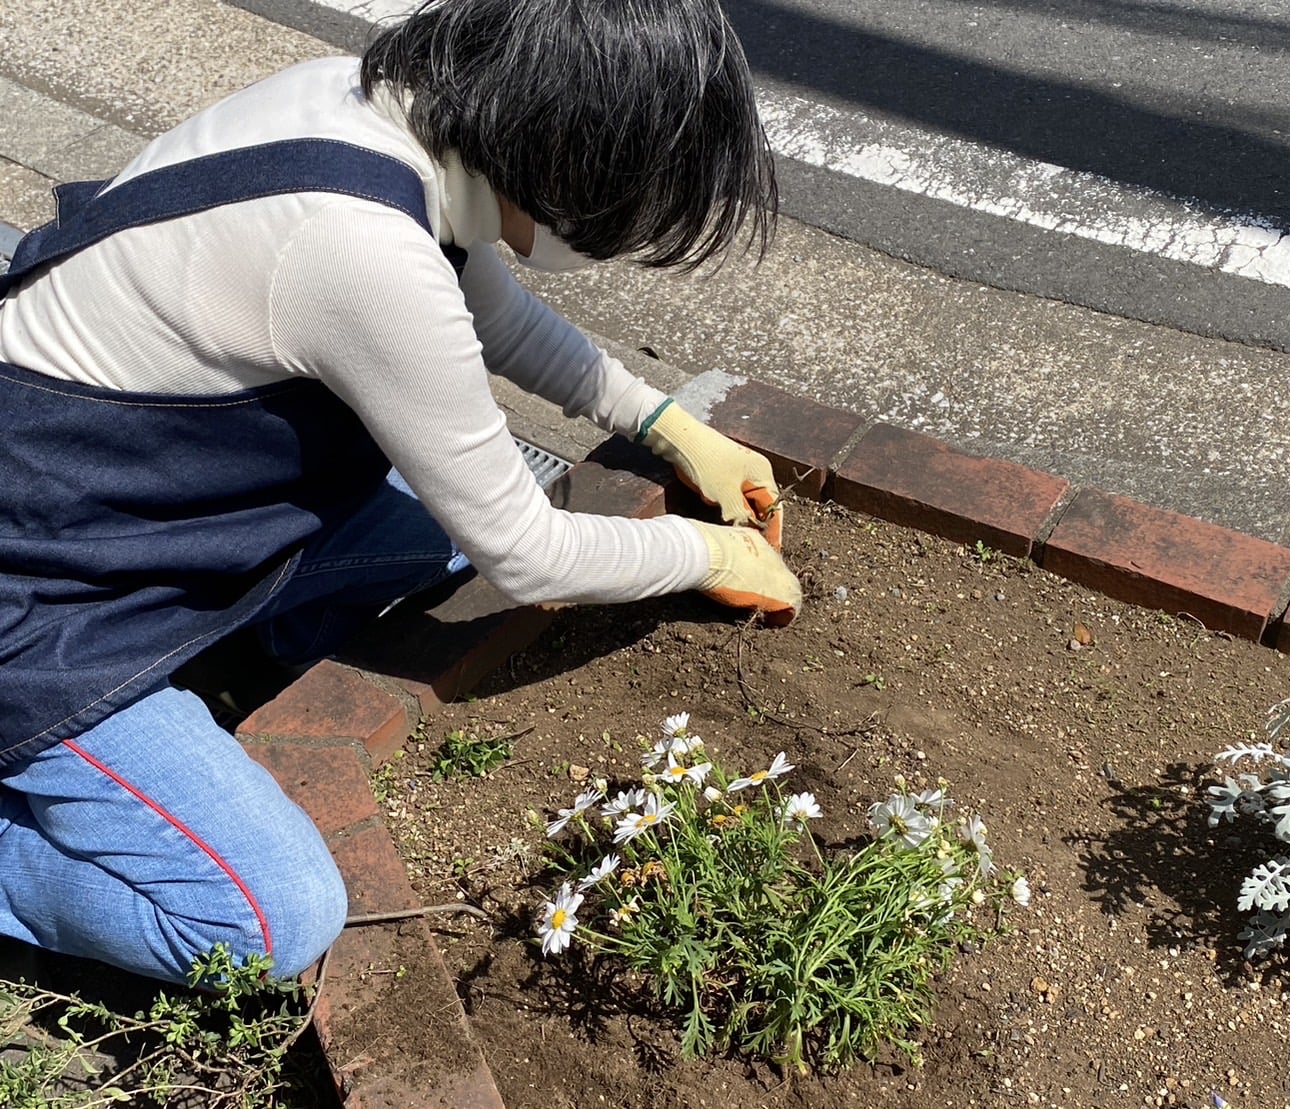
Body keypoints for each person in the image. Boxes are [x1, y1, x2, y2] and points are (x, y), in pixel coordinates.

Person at [0, 0, 802, 985]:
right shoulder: (358, 247)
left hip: (151, 512)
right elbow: (530, 550)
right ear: (563, 160)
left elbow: (492, 316)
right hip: (44, 595)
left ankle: (237, 651)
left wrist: (665, 424)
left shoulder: (390, 115)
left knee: (436, 544)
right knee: (271, 918)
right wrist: (712, 553)